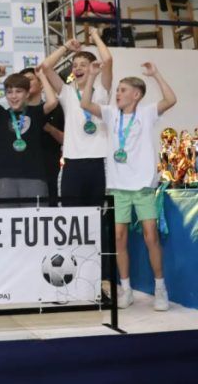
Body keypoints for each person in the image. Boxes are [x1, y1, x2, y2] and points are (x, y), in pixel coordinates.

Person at [80, 61, 176, 311]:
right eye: (118, 90)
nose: (118, 94)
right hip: (117, 187)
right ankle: (126, 289)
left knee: (150, 236)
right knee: (119, 238)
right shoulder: (111, 114)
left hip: (143, 187)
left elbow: (170, 98)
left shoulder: (147, 112)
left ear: (136, 94)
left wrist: (156, 74)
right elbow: (85, 104)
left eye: (122, 90)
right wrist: (91, 76)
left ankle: (160, 289)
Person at [41, 28, 113, 205]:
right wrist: (66, 46)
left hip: (99, 160)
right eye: (75, 65)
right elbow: (45, 67)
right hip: (72, 161)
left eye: (83, 64)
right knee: (71, 212)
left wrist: (95, 36)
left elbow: (108, 60)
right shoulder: (66, 92)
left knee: (98, 214)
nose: (78, 68)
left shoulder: (103, 90)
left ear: (93, 67)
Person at [0, 66, 58, 200]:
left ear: (27, 93)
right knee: (7, 219)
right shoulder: (1, 114)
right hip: (5, 177)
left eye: (18, 91)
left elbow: (53, 102)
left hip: (34, 177)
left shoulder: (35, 112)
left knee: (35, 219)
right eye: (9, 92)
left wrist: (42, 76)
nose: (13, 96)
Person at [19, 67, 64, 203]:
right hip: (23, 172)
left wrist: (49, 128)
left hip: (49, 170)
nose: (27, 83)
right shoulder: (15, 112)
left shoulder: (55, 109)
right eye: (23, 81)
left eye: (30, 79)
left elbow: (65, 139)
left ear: (40, 83)